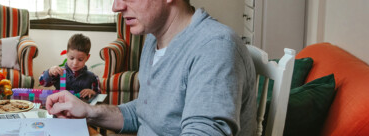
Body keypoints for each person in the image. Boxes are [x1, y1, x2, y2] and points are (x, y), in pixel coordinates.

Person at [46, 0, 257, 135]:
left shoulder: (214, 46)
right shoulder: (153, 39)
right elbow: (147, 113)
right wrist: (89, 111)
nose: (116, 6)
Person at [39, 33, 100, 99]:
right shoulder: (59, 72)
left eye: (80, 59)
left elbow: (99, 97)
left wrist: (93, 93)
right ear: (66, 53)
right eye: (71, 58)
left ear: (87, 58)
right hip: (59, 107)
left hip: (81, 108)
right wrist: (50, 72)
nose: (75, 63)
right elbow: (43, 83)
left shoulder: (92, 77)